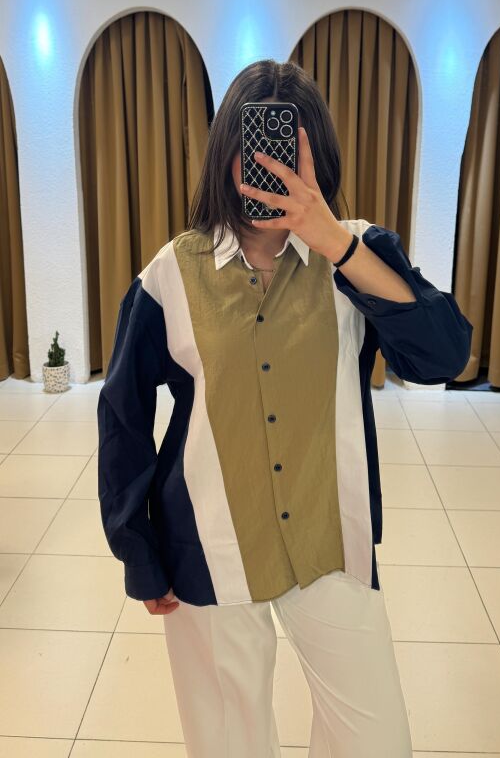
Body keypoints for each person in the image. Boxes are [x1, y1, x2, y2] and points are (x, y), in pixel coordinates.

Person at [97, 59, 473, 757]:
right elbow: (123, 418)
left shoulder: (358, 253)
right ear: (225, 155)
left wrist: (335, 242)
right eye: (254, 150)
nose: (268, 170)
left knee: (376, 741)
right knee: (228, 743)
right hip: (206, 546)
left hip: (331, 540)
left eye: (287, 153)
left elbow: (443, 356)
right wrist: (137, 551)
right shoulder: (170, 274)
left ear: (317, 158)